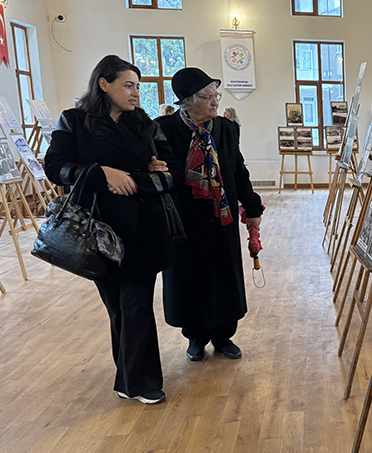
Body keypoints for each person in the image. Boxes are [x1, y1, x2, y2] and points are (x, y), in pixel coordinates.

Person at [44, 55, 183, 404]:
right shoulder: (73, 121)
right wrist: (101, 173)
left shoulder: (146, 125)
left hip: (143, 227)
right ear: (104, 84)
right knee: (117, 306)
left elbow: (173, 175)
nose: (136, 93)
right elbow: (56, 167)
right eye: (128, 85)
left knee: (135, 302)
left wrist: (138, 178)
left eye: (137, 86)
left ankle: (142, 382)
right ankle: (128, 378)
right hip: (97, 231)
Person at [156, 67, 264, 361]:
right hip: (183, 219)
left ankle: (223, 335)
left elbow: (238, 171)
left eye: (216, 95)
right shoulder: (164, 130)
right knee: (188, 277)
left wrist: (252, 207)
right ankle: (195, 337)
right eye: (207, 97)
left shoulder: (225, 129)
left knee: (224, 275)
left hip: (222, 217)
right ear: (187, 102)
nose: (215, 102)